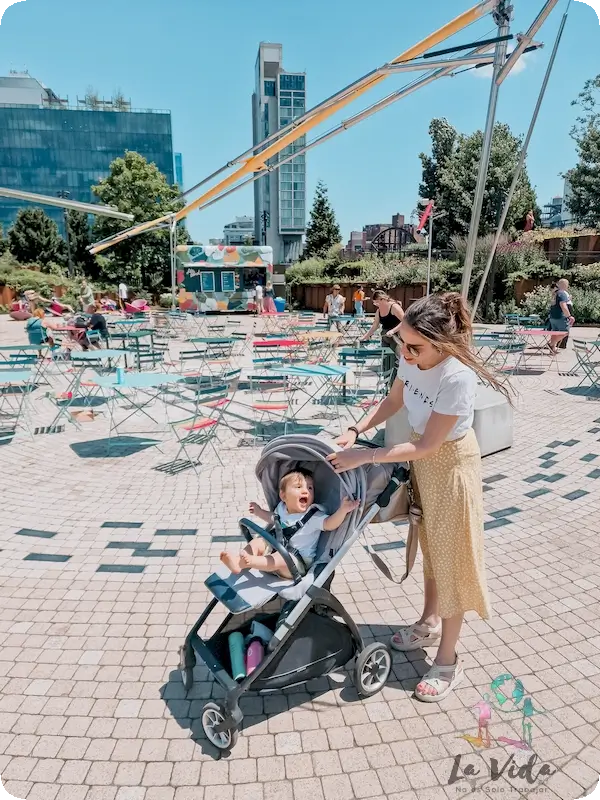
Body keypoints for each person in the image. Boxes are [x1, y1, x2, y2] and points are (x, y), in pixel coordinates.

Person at [327, 292, 508, 703]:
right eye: (402, 342)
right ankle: (428, 621)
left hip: (450, 466)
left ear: (441, 345)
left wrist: (365, 454)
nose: (404, 353)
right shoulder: (410, 358)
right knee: (429, 548)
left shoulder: (457, 377)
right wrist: (356, 429)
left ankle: (447, 659)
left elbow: (429, 444)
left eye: (414, 347)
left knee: (453, 559)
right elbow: (394, 401)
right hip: (423, 464)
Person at [220, 468, 358, 579]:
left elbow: (330, 524)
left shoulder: (313, 516)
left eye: (310, 488)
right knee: (259, 542)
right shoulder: (281, 508)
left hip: (296, 564)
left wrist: (342, 510)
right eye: (299, 487)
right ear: (283, 496)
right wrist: (259, 511)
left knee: (281, 557)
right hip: (278, 549)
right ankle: (238, 562)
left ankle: (250, 562)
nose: (306, 491)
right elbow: (272, 518)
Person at [548, 278, 574, 354]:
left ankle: (552, 349)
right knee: (565, 332)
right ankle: (551, 344)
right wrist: (569, 316)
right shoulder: (562, 293)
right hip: (560, 317)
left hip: (552, 316)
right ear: (565, 285)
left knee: (555, 333)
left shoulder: (555, 293)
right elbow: (563, 306)